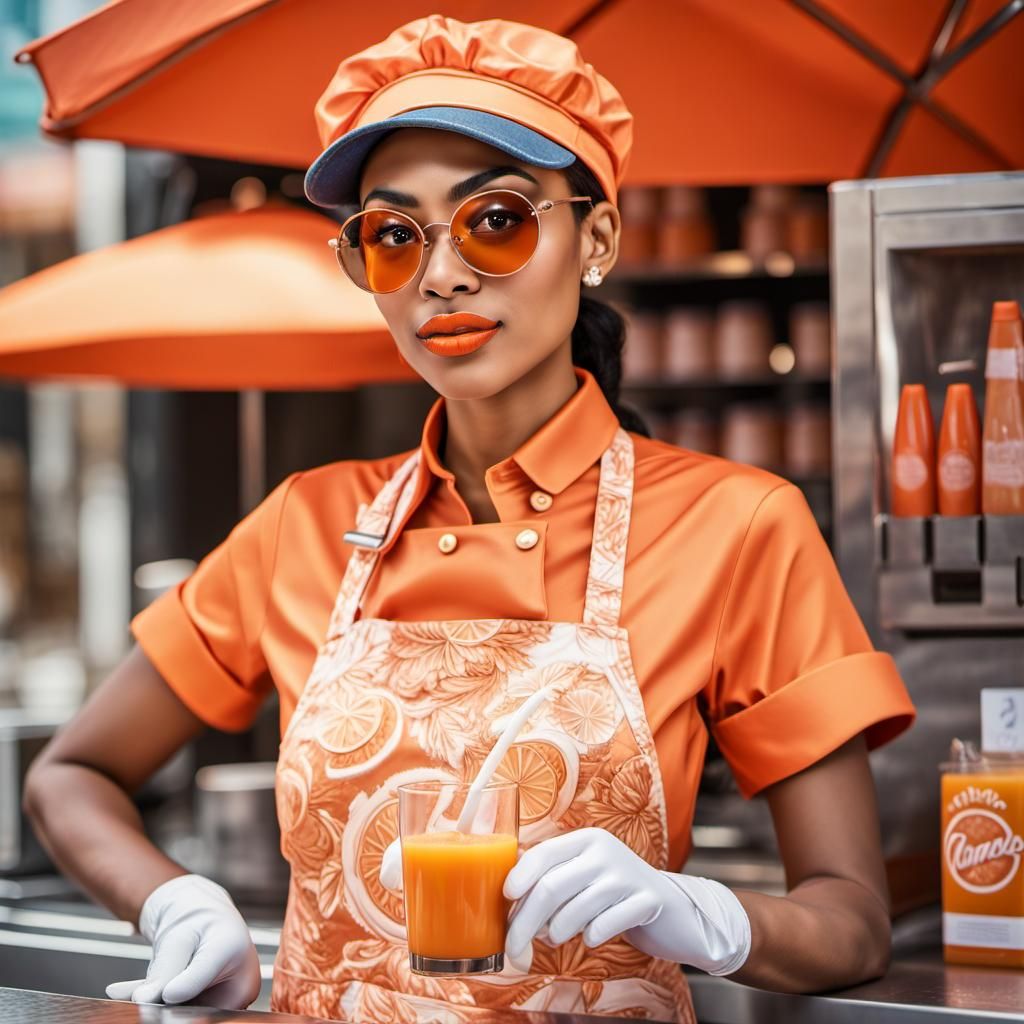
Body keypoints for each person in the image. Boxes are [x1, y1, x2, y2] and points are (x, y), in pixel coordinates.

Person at [23, 15, 915, 1024]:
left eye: (495, 219)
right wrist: (176, 903)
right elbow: (73, 772)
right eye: (393, 236)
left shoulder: (738, 525)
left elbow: (851, 921)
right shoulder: (302, 524)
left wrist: (705, 914)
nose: (441, 273)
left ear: (599, 239)